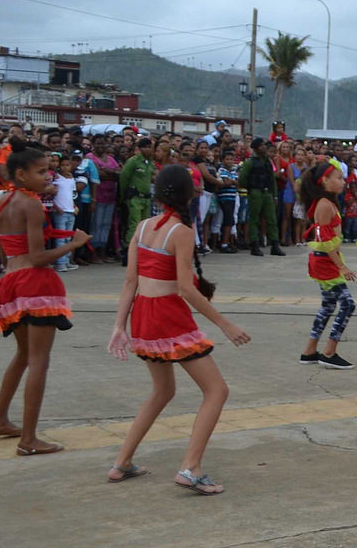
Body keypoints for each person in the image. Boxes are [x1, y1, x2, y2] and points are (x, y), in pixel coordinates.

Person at [107, 165, 250, 494]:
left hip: (143, 315)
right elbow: (186, 289)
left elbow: (130, 281)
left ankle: (121, 462)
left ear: (157, 194)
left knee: (162, 391)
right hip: (168, 316)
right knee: (217, 390)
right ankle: (191, 467)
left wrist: (119, 326)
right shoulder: (181, 232)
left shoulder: (142, 228)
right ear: (190, 195)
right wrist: (224, 323)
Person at [0, 146, 92, 454]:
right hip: (34, 285)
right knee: (38, 362)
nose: (48, 176)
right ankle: (29, 439)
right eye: (41, 171)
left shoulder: (0, 203)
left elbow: (9, 255)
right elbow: (37, 257)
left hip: (10, 285)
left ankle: (0, 420)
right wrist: (74, 244)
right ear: (21, 174)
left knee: (22, 356)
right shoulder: (31, 205)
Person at [298, 164, 357, 370]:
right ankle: (329, 351)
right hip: (325, 262)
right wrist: (342, 267)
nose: (343, 182)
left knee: (329, 305)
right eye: (339, 178)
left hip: (324, 259)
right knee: (348, 304)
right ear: (324, 181)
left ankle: (309, 351)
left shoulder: (327, 203)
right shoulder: (324, 204)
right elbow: (325, 239)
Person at [239, 139, 286, 257]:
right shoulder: (250, 162)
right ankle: (254, 245)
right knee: (254, 219)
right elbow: (242, 179)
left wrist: (274, 194)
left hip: (267, 192)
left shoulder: (267, 162)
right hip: (255, 192)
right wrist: (251, 188)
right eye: (261, 146)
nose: (264, 147)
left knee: (272, 219)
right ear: (256, 148)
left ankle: (275, 245)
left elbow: (272, 179)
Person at [119, 138, 156, 262]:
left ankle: (140, 251)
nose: (147, 149)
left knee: (144, 226)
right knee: (134, 225)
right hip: (135, 196)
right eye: (144, 147)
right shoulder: (133, 161)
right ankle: (128, 251)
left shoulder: (150, 163)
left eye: (149, 147)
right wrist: (124, 195)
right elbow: (124, 178)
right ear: (139, 149)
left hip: (146, 198)